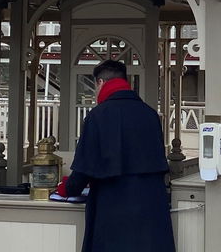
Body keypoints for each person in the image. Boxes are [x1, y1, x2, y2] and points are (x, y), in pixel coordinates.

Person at [59, 60, 175, 252]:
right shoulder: (150, 114)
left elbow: (83, 168)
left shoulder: (97, 116)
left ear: (101, 83)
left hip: (112, 206)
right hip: (151, 206)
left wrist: (66, 189)